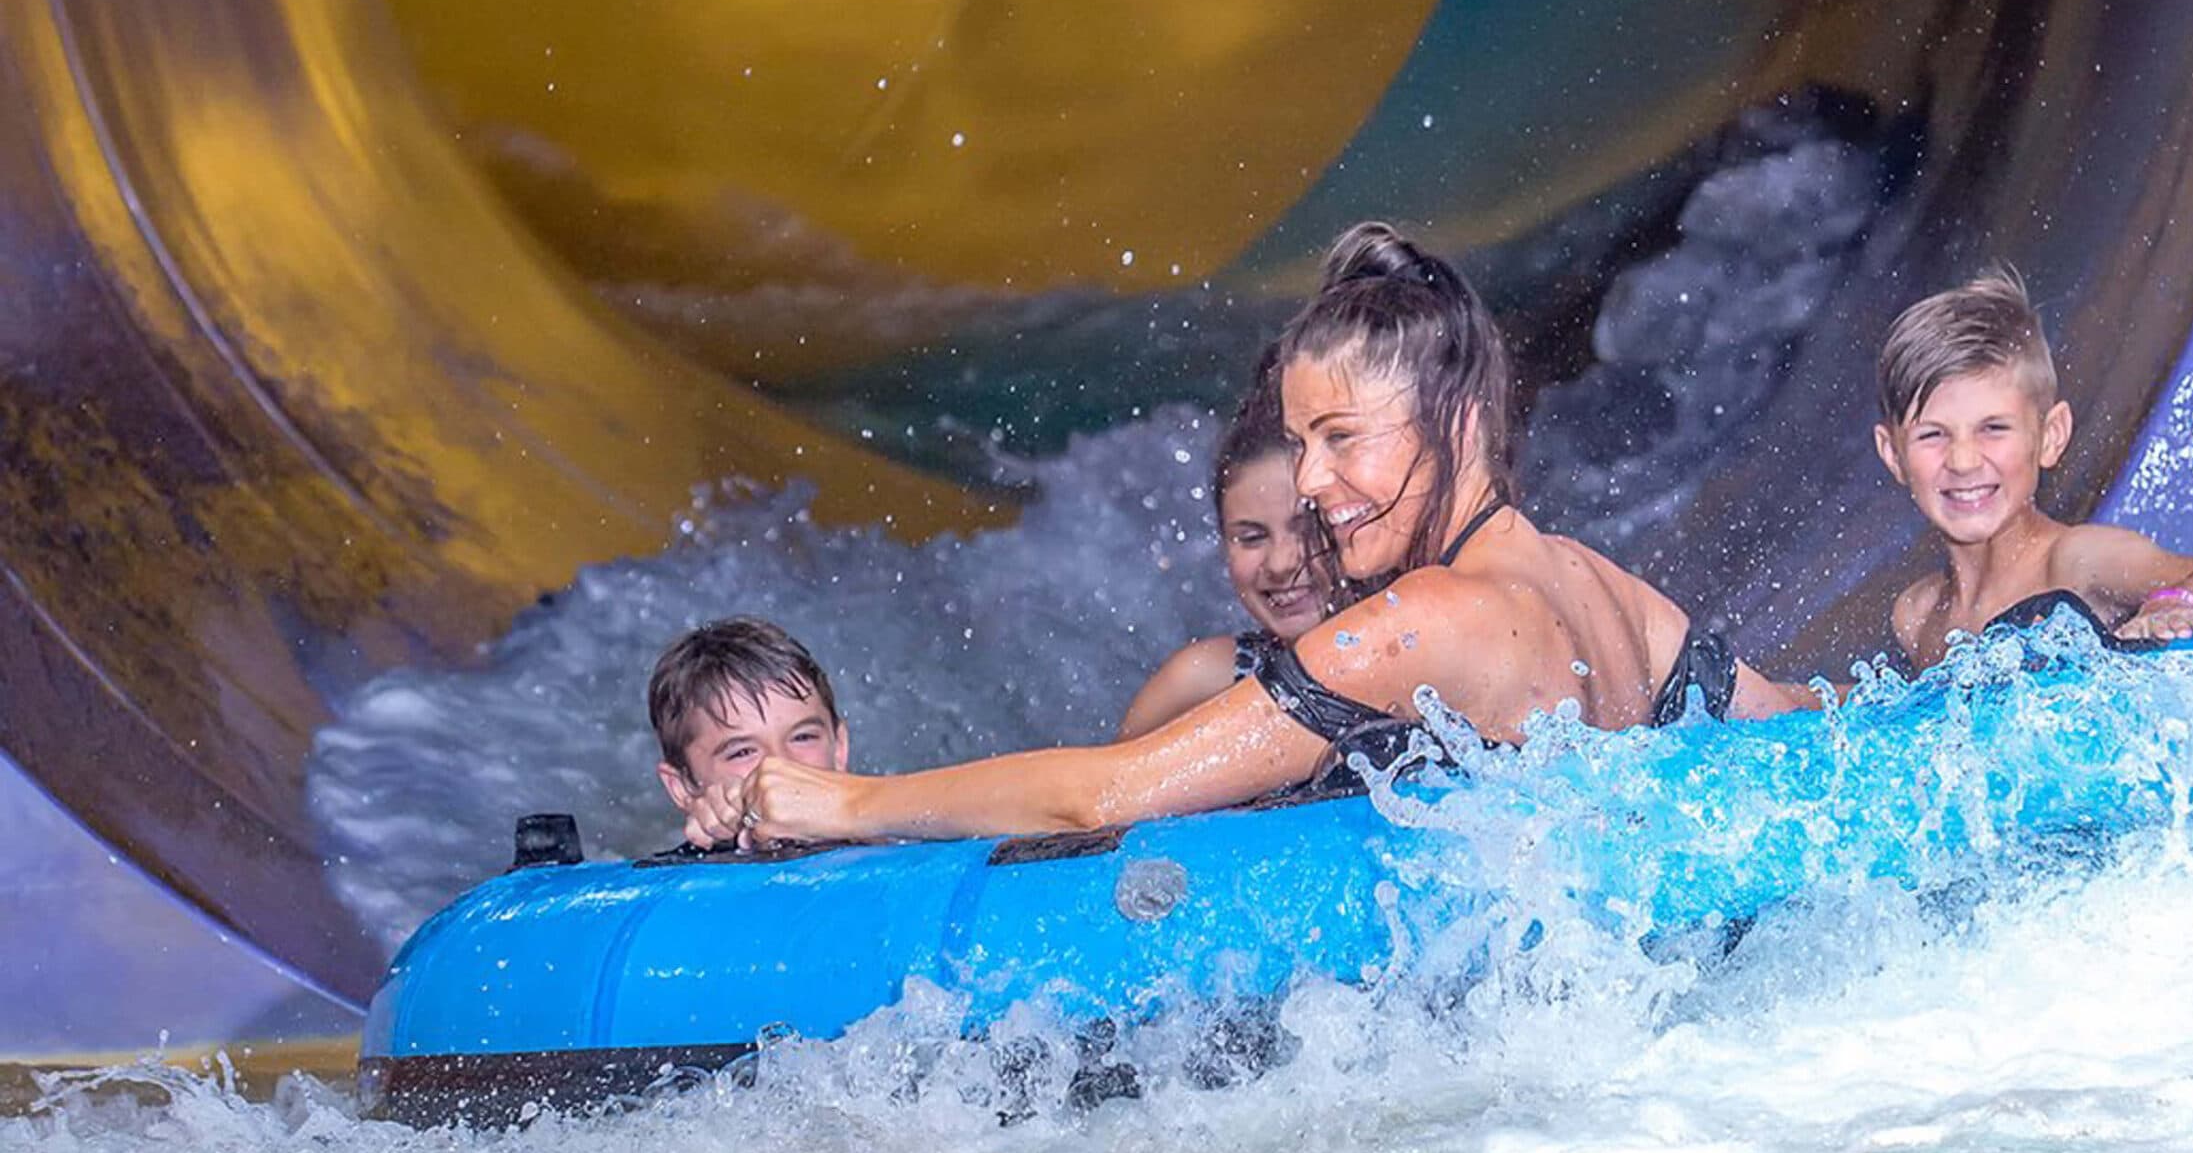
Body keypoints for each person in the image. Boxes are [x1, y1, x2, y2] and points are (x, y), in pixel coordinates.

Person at [680, 221, 1813, 851]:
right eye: (1297, 442)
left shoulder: (1424, 621)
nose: (1314, 483)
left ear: (1461, 420)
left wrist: (849, 801)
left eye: (1341, 439)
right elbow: (1810, 731)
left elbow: (1109, 796)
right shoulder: (1602, 586)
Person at [1872, 267, 2193, 670]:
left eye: (1993, 428)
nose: (1963, 461)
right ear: (1893, 454)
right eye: (1932, 435)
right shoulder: (1917, 613)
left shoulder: (2076, 561)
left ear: (2051, 436)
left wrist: (2171, 605)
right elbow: (1919, 705)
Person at [1116, 381, 1329, 740]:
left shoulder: (1423, 650)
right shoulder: (1197, 686)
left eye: (1306, 528)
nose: (1280, 563)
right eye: (1251, 538)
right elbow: (1103, 791)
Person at [649, 617, 849, 821]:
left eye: (803, 737)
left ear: (839, 748)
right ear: (682, 788)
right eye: (742, 752)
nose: (783, 769)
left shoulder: (880, 834)